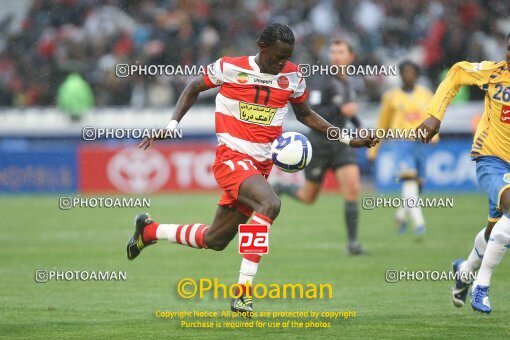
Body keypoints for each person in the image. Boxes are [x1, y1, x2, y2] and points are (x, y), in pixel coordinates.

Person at [127, 23, 378, 314]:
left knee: (215, 239)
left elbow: (306, 114)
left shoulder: (293, 76)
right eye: (278, 56)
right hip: (231, 158)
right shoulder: (230, 67)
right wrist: (172, 125)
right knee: (270, 203)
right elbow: (193, 86)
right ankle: (242, 294)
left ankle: (149, 232)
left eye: (287, 56)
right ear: (262, 48)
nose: (282, 62)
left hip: (260, 167)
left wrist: (348, 137)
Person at [417, 33, 510, 314]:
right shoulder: (494, 74)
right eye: (509, 47)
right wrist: (435, 115)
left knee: (497, 230)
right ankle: (482, 285)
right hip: (492, 159)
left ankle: (466, 271)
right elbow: (457, 71)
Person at [273, 39, 367, 255]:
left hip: (341, 142)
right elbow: (311, 113)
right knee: (308, 197)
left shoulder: (348, 82)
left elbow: (348, 111)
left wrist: (359, 126)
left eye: (341, 52)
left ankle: (353, 244)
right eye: (333, 52)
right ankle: (283, 188)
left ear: (350, 57)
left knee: (352, 188)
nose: (336, 56)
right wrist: (339, 109)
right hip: (318, 142)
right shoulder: (321, 80)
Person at [368, 61, 434, 237]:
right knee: (409, 179)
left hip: (421, 143)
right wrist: (373, 150)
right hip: (401, 143)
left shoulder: (425, 94)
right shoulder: (391, 97)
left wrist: (434, 135)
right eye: (405, 72)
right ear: (400, 74)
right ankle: (420, 223)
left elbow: (433, 117)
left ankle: (401, 214)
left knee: (418, 185)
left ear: (417, 74)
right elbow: (383, 123)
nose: (408, 75)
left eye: (412, 72)